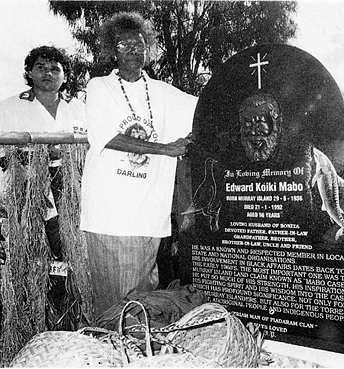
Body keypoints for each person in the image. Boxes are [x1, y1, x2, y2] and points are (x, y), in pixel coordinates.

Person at [80, 11, 197, 317]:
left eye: (139, 44)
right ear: (111, 50)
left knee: (143, 301)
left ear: (150, 49)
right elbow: (110, 138)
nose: (133, 50)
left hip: (150, 219)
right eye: (123, 44)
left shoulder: (164, 93)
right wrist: (165, 148)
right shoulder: (98, 87)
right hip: (111, 218)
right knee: (117, 306)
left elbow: (205, 108)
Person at [0, 45, 86, 263]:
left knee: (68, 249)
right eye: (41, 67)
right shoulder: (10, 107)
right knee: (29, 253)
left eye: (55, 69)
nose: (48, 73)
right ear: (29, 72)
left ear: (65, 75)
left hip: (71, 192)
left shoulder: (79, 108)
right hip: (26, 194)